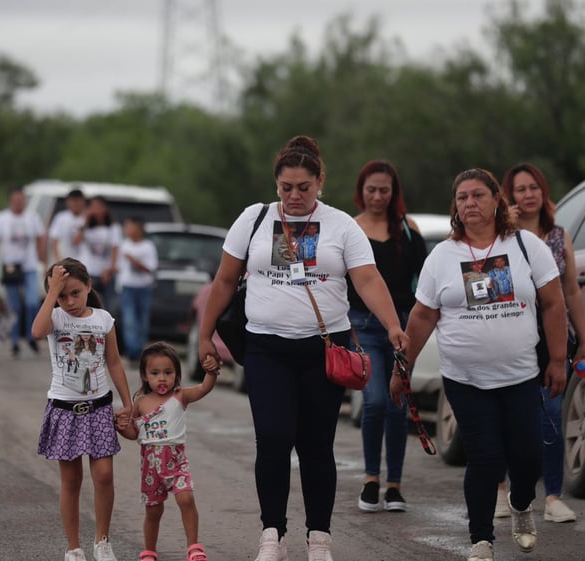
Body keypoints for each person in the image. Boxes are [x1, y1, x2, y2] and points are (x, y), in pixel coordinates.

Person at [197, 135, 408, 561]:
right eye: (286, 188)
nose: (294, 196)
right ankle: (272, 534)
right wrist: (205, 336)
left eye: (304, 188)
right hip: (265, 350)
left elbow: (367, 279)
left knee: (316, 447)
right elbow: (224, 280)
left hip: (322, 351)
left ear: (320, 182)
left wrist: (392, 326)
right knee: (272, 440)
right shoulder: (252, 219)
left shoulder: (342, 226)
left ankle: (319, 538)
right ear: (276, 184)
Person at [390, 168, 568, 561]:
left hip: (521, 376)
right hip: (465, 379)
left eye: (478, 195)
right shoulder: (443, 257)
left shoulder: (526, 246)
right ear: (455, 207)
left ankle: (521, 506)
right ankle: (481, 539)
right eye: (462, 197)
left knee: (527, 457)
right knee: (485, 458)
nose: (470, 203)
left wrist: (558, 360)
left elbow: (554, 303)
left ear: (496, 201)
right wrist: (402, 370)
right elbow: (421, 317)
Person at [495, 162, 585, 523]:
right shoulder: (498, 237)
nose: (528, 195)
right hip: (510, 335)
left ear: (543, 192)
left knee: (552, 417)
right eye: (520, 189)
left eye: (533, 188)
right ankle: (501, 490)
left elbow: (571, 291)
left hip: (554, 338)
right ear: (509, 196)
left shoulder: (558, 235)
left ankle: (553, 496)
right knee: (508, 417)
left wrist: (584, 342)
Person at [31, 257, 133, 561]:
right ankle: (73, 547)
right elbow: (37, 332)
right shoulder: (55, 318)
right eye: (63, 295)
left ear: (89, 286)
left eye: (75, 292)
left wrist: (127, 402)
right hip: (64, 409)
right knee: (71, 480)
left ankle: (102, 542)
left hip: (99, 407)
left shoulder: (103, 319)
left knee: (103, 476)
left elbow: (114, 362)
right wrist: (52, 293)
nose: (69, 301)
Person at [348, 160, 427, 513]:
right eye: (371, 189)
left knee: (397, 405)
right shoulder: (350, 230)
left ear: (393, 193)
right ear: (361, 191)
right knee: (376, 400)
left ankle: (394, 485)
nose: (378, 196)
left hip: (402, 327)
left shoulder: (407, 230)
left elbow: (426, 282)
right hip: (362, 326)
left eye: (384, 190)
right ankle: (370, 479)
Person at [116, 341, 217, 561]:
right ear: (144, 375)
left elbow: (203, 388)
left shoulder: (180, 396)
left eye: (168, 372)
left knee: (186, 499)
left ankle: (194, 547)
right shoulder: (141, 402)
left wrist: (212, 371)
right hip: (150, 466)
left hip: (177, 461)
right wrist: (121, 428)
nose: (162, 378)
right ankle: (149, 551)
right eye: (155, 373)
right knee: (153, 511)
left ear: (176, 375)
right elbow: (134, 433)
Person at [0, 187, 46, 358]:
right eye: (16, 200)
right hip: (10, 268)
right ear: (10, 201)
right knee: (14, 307)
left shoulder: (33, 218)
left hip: (28, 267)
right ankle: (14, 341)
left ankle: (31, 336)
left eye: (22, 200)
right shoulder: (2, 218)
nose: (19, 203)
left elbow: (40, 238)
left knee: (32, 303)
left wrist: (43, 260)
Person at [117, 216, 158, 361]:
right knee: (129, 321)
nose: (127, 230)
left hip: (144, 287)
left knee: (142, 321)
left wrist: (135, 262)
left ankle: (140, 349)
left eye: (129, 227)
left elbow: (151, 268)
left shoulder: (148, 246)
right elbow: (118, 267)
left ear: (139, 229)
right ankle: (132, 351)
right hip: (128, 287)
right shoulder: (124, 245)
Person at [73, 196, 121, 310]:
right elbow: (76, 241)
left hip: (106, 272)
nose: (96, 210)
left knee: (107, 306)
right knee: (88, 305)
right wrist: (85, 221)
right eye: (93, 207)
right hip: (89, 271)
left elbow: (115, 249)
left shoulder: (113, 228)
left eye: (99, 207)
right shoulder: (85, 227)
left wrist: (111, 269)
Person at [49, 188, 87, 261]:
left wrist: (86, 222)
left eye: (78, 201)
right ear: (67, 201)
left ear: (83, 201)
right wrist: (58, 260)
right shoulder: (61, 218)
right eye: (73, 201)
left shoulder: (87, 218)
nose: (75, 204)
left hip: (83, 263)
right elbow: (54, 242)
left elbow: (76, 241)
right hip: (65, 261)